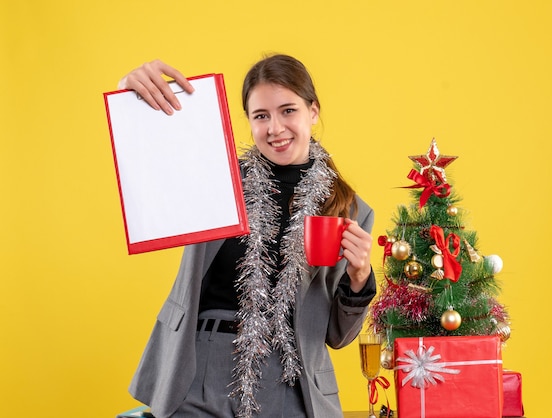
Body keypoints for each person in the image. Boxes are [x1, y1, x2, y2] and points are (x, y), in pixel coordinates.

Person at [118, 55, 376, 418]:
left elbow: (338, 335)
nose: (275, 128)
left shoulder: (349, 209)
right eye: (261, 116)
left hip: (293, 378)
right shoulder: (215, 180)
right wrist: (132, 94)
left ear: (313, 111)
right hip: (202, 364)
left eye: (288, 111)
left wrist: (359, 277)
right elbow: (151, 169)